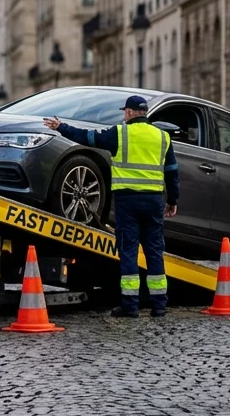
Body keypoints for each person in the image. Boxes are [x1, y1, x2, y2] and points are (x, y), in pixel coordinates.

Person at [44, 95, 179, 318]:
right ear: (144, 112)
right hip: (154, 201)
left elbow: (86, 137)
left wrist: (61, 127)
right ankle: (159, 306)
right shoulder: (162, 137)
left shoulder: (120, 133)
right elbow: (172, 172)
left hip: (128, 202)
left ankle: (130, 306)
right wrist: (172, 200)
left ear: (129, 112)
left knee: (128, 252)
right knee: (155, 252)